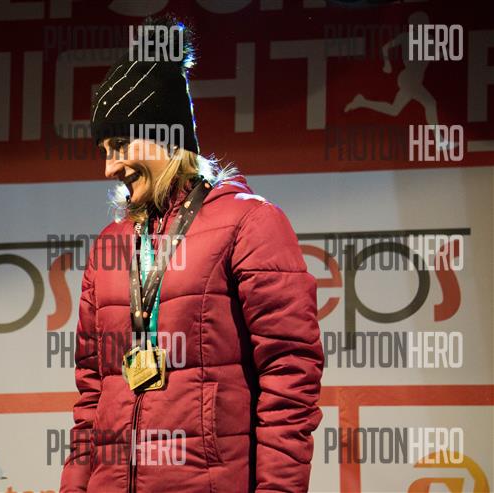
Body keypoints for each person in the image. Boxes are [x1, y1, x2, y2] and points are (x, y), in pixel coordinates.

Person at [60, 16, 323, 493]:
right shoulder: (110, 246)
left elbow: (289, 378)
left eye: (119, 144)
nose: (109, 167)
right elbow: (91, 396)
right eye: (104, 149)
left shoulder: (251, 223)